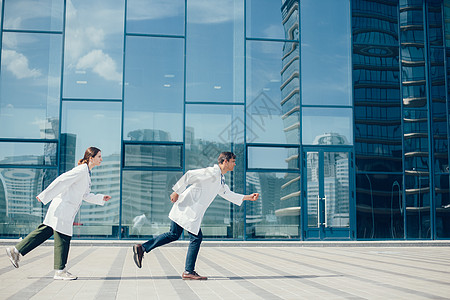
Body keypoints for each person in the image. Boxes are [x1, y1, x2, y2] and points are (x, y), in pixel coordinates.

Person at [132, 152, 259, 280]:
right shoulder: (212, 173)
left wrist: (248, 197)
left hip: (188, 210)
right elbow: (189, 175)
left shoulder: (220, 178)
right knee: (196, 238)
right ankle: (188, 271)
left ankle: (142, 248)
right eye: (233, 161)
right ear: (225, 162)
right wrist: (176, 191)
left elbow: (227, 193)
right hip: (187, 209)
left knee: (174, 234)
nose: (234, 164)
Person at [5, 147, 111, 280]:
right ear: (91, 158)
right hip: (62, 208)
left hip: (64, 209)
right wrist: (45, 195)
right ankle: (60, 271)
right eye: (99, 156)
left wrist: (100, 198)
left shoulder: (87, 173)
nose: (101, 159)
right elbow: (62, 180)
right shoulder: (81, 170)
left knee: (44, 231)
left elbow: (85, 195)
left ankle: (15, 250)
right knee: (63, 237)